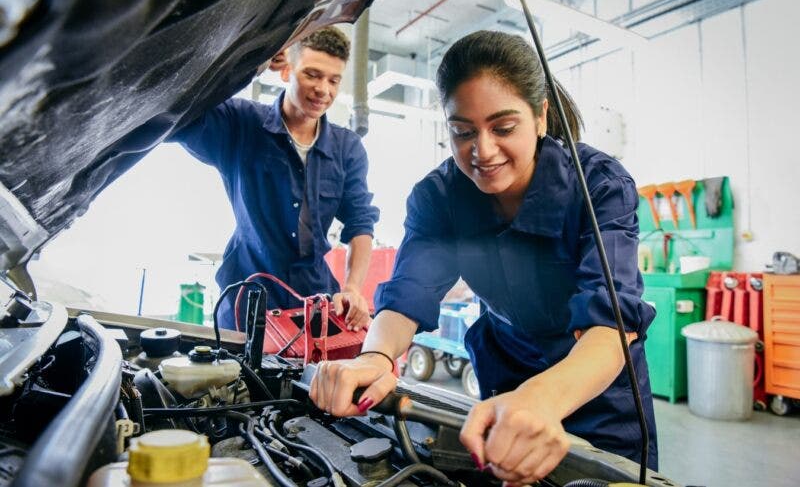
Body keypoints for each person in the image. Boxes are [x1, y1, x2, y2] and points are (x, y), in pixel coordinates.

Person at [308, 30, 658, 485]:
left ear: (540, 116)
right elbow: (408, 293)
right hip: (506, 382)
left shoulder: (599, 186)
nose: (483, 151)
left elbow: (611, 324)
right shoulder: (439, 197)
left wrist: (542, 400)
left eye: (504, 128)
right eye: (463, 131)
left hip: (599, 394)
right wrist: (373, 357)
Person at [173, 27, 379, 330]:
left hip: (313, 302)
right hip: (247, 301)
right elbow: (181, 110)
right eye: (312, 74)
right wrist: (253, 62)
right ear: (286, 72)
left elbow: (361, 223)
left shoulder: (347, 149)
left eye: (333, 80)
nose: (324, 89)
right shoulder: (241, 124)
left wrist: (352, 288)